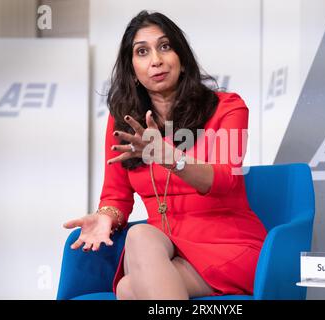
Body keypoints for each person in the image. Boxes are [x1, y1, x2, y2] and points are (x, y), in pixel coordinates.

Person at [63, 10, 267, 300]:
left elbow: (225, 180)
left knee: (128, 289)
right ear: (132, 70)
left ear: (182, 59)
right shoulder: (124, 121)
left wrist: (168, 156)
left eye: (165, 47)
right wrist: (106, 217)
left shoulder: (227, 107)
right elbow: (116, 196)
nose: (155, 60)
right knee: (139, 238)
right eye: (142, 52)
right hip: (163, 249)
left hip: (227, 247)